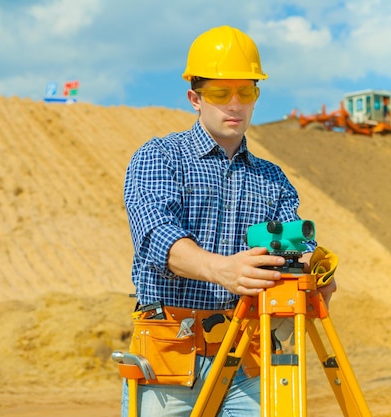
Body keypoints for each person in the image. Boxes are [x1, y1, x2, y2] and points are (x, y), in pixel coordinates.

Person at [121, 25, 336, 416]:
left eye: (246, 92)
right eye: (220, 93)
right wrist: (222, 270)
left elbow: (290, 244)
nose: (234, 104)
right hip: (173, 356)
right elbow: (156, 237)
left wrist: (312, 267)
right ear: (195, 98)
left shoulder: (273, 179)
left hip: (249, 356)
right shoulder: (160, 157)